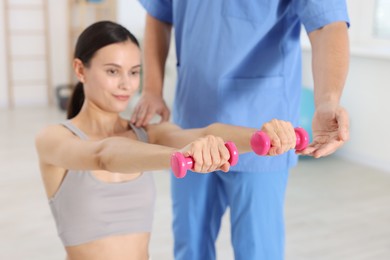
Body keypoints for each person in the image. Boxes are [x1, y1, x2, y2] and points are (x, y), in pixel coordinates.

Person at [35, 21, 300, 260]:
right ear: (80, 70)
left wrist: (262, 137)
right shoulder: (54, 138)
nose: (127, 85)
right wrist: (179, 156)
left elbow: (205, 133)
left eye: (134, 72)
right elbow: (103, 155)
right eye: (113, 72)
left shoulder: (148, 134)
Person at [131, 1, 351, 259]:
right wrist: (151, 90)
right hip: (191, 124)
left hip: (263, 127)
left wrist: (328, 100)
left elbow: (326, 24)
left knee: (257, 250)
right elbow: (158, 14)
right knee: (189, 246)